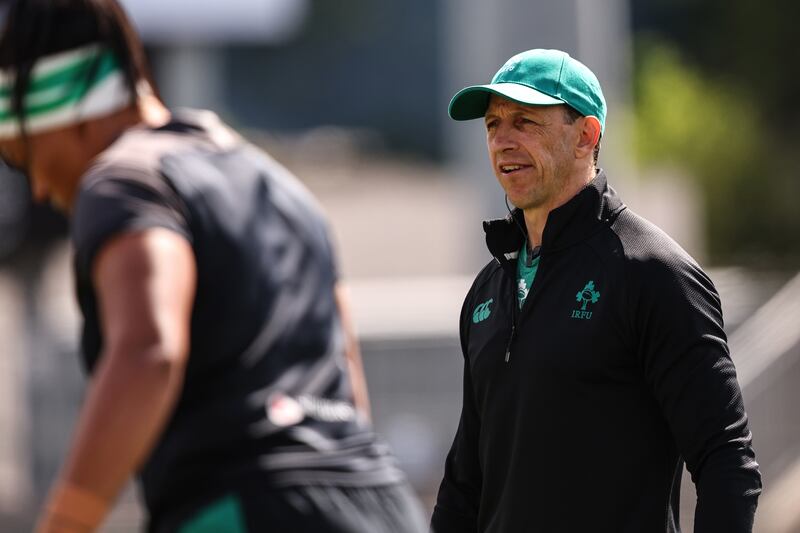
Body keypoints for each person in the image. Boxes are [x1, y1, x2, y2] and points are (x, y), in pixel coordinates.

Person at [0, 1, 428, 532]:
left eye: (26, 157)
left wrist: (66, 522)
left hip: (250, 506)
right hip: (383, 504)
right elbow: (347, 374)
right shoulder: (285, 189)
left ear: (71, 109)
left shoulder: (124, 180)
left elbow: (151, 352)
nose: (38, 189)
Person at [430, 48, 762, 533]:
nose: (502, 141)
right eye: (492, 124)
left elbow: (727, 461)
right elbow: (465, 483)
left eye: (524, 121)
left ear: (586, 136)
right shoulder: (488, 289)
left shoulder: (652, 272)